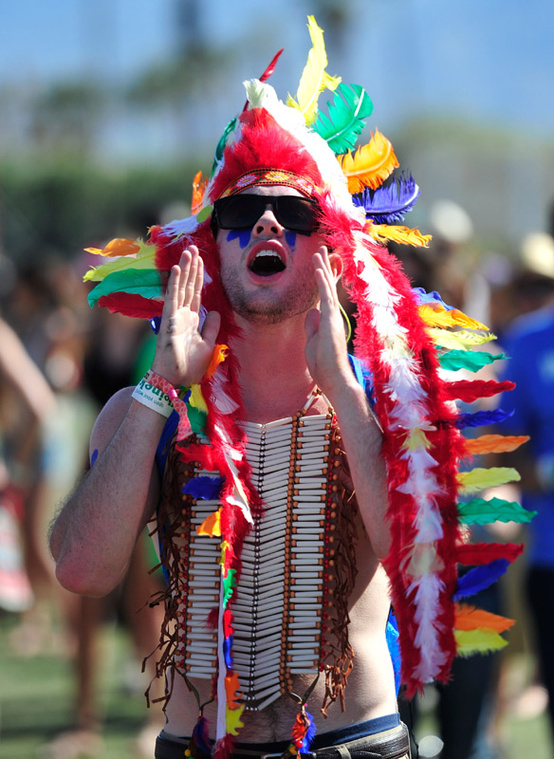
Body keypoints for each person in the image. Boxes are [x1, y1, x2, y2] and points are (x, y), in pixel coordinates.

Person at [49, 17, 525, 759]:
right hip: (196, 742)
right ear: (211, 245)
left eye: (295, 211)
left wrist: (338, 382)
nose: (267, 221)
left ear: (331, 246)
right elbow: (82, 569)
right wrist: (159, 386)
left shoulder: (389, 404)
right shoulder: (149, 411)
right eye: (241, 211)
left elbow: (422, 571)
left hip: (353, 742)